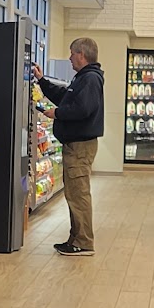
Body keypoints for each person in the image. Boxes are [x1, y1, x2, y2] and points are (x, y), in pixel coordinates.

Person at [35, 37, 105, 255]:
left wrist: (57, 113)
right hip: (76, 145)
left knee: (79, 194)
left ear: (82, 54)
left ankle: (84, 242)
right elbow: (66, 97)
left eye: (72, 53)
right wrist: (42, 81)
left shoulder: (90, 79)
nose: (70, 58)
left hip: (80, 146)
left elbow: (82, 109)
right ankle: (76, 238)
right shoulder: (83, 78)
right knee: (74, 194)